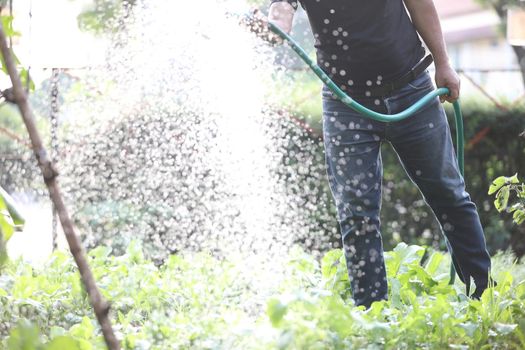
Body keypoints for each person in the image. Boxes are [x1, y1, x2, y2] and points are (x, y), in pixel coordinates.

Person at [250, 0, 493, 308]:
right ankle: (372, 316)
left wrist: (443, 63)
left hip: (411, 86)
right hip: (344, 102)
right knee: (357, 216)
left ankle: (485, 300)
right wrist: (275, 27)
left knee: (450, 195)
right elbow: (282, 8)